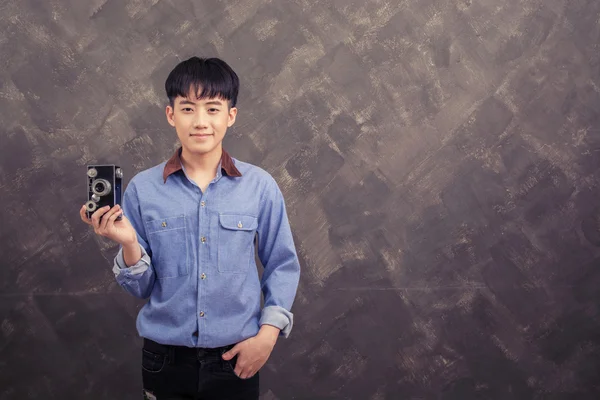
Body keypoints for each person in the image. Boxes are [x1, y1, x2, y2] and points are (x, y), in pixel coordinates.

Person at [80, 56, 301, 400]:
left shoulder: (259, 186)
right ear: (171, 115)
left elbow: (283, 264)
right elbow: (142, 289)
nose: (200, 122)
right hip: (164, 360)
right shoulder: (142, 189)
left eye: (212, 109)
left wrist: (268, 335)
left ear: (231, 115)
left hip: (236, 357)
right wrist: (128, 244)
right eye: (187, 108)